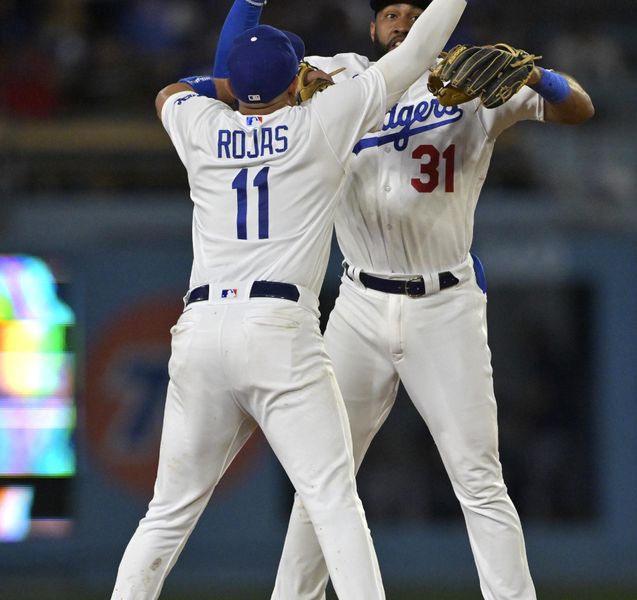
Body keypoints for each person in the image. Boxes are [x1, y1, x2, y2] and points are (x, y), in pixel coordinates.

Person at [216, 2, 595, 598]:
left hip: (444, 305)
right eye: (388, 12)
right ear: (372, 28)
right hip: (357, 303)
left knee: (478, 477)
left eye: (413, 11)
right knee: (322, 479)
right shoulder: (337, 76)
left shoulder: (472, 81)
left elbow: (579, 106)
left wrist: (533, 77)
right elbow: (237, 75)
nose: (400, 21)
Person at [109, 0, 468, 597]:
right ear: (291, 78)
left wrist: (223, 84)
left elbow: (169, 91)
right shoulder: (320, 122)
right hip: (278, 333)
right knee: (333, 502)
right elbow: (417, 53)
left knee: (167, 513)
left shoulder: (202, 125)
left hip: (201, 330)